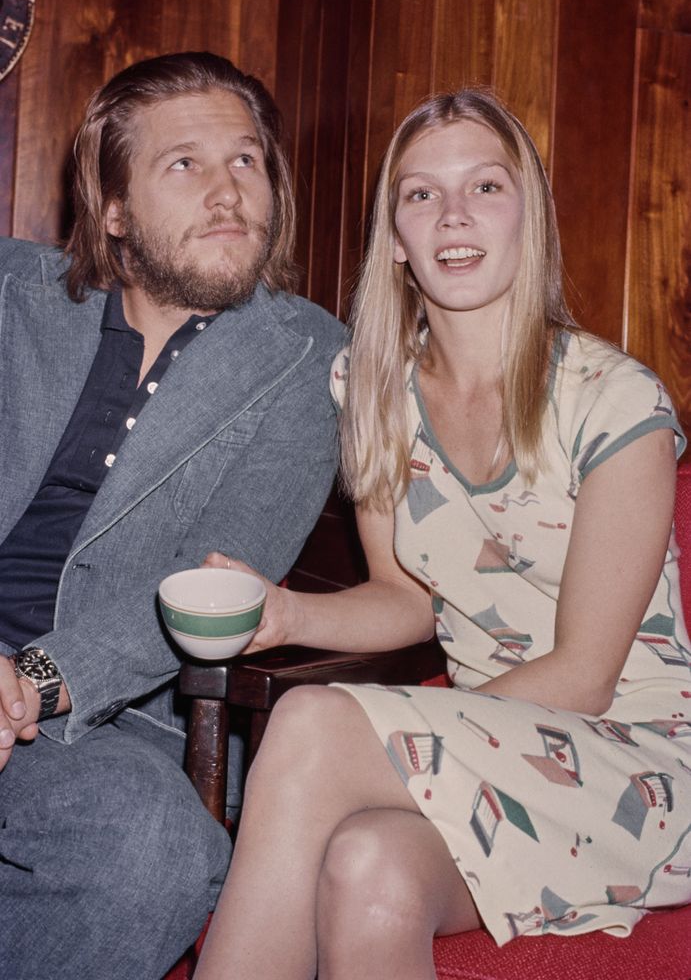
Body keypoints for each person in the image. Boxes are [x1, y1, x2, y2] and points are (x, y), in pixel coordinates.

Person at [194, 89, 691, 980]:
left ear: (526, 217)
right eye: (421, 194)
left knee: (308, 722)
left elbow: (582, 679)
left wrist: (382, 726)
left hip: (635, 764)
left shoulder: (615, 400)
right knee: (369, 872)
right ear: (395, 236)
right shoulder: (372, 388)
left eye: (485, 188)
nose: (453, 215)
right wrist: (283, 615)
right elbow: (406, 600)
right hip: (485, 750)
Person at [0, 51, 345, 980]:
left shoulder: (303, 356)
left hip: (94, 722)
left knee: (153, 850)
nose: (229, 191)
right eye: (183, 164)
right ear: (112, 208)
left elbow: (212, 584)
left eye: (246, 161)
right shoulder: (10, 298)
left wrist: (28, 680)